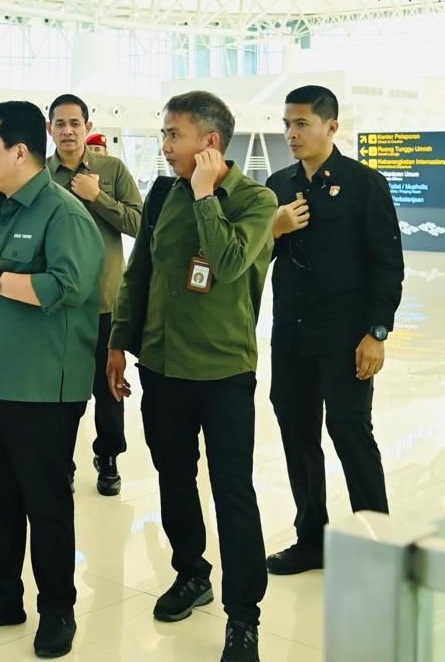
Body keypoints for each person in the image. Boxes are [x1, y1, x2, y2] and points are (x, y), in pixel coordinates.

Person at [108, 90, 276, 662]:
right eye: (162, 135)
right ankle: (191, 572)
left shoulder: (255, 199)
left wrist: (206, 196)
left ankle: (243, 617)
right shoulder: (162, 194)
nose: (164, 147)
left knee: (233, 491)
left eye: (173, 135)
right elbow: (139, 274)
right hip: (162, 367)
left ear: (209, 142)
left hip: (224, 371)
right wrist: (118, 344)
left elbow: (228, 265)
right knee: (173, 477)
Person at [0, 100, 103, 659]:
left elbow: (67, 289)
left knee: (46, 501)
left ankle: (57, 608)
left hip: (39, 388)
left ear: (19, 151)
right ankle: (1, 593)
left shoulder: (64, 214)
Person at [264, 85, 404, 575]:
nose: (291, 133)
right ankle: (312, 539)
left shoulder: (365, 183)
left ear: (331, 126)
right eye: (286, 124)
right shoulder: (278, 185)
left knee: (349, 432)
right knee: (297, 434)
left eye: (301, 124)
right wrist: (273, 228)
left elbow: (387, 265)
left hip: (346, 338)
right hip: (292, 336)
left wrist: (377, 333)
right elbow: (257, 257)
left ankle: (376, 544)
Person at [46, 93, 142, 496]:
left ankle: (108, 457)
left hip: (104, 302)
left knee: (109, 388)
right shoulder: (39, 173)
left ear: (87, 126)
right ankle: (59, 460)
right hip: (55, 304)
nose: (68, 131)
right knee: (59, 390)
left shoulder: (111, 169)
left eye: (75, 123)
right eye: (60, 123)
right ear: (49, 128)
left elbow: (140, 224)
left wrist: (97, 196)